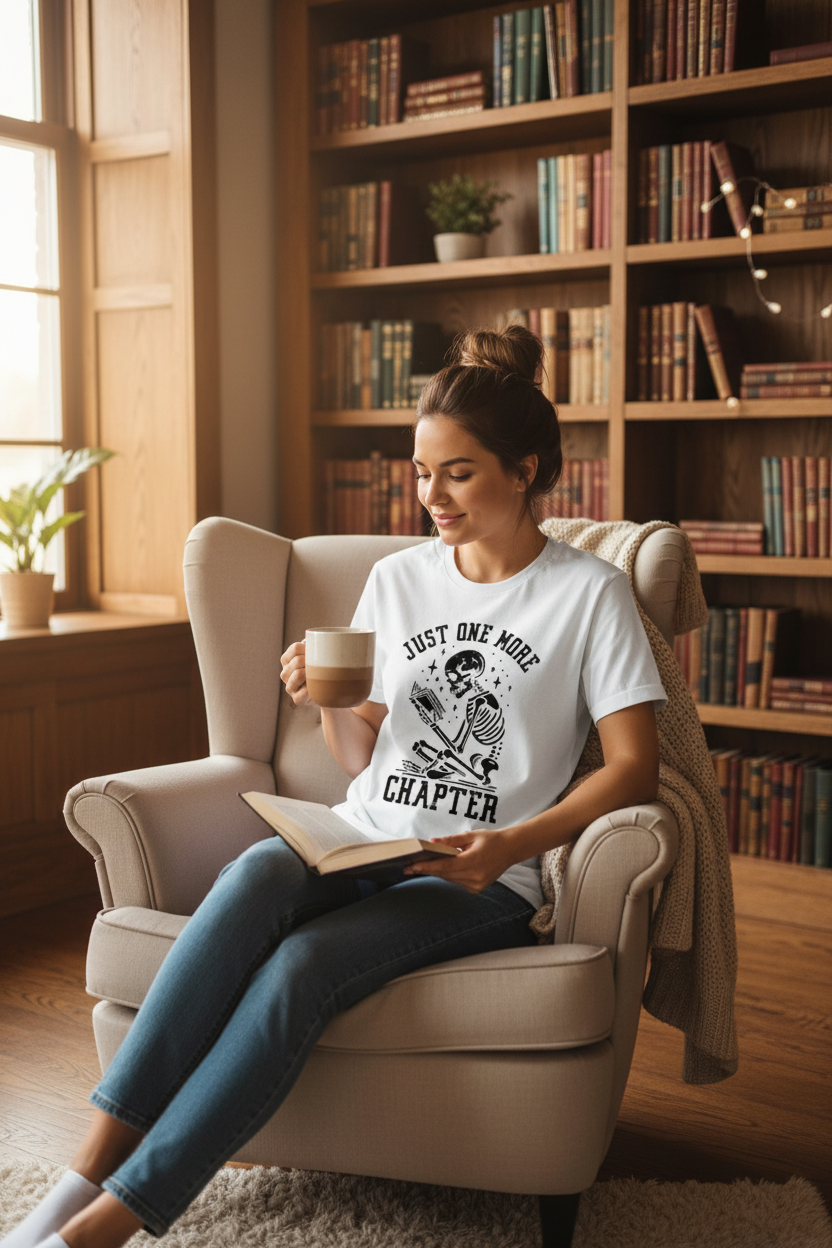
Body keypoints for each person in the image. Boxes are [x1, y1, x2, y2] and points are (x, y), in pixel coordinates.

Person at [2, 325, 665, 1248]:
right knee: (248, 880)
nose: (430, 495)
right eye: (422, 471)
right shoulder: (398, 581)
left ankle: (109, 1225)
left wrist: (512, 847)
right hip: (364, 832)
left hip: (477, 875)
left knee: (305, 966)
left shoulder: (590, 595)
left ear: (528, 470)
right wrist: (322, 697)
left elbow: (638, 766)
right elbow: (359, 759)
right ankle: (74, 1184)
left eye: (458, 474)